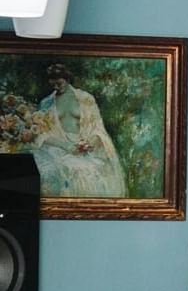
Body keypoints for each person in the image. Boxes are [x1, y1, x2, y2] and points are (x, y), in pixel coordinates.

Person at [33, 63, 127, 198]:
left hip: (84, 146)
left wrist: (88, 144)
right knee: (54, 170)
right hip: (58, 147)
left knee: (89, 172)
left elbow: (97, 127)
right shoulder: (46, 103)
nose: (56, 87)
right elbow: (43, 134)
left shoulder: (85, 98)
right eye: (52, 84)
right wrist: (66, 146)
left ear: (67, 79)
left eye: (59, 83)